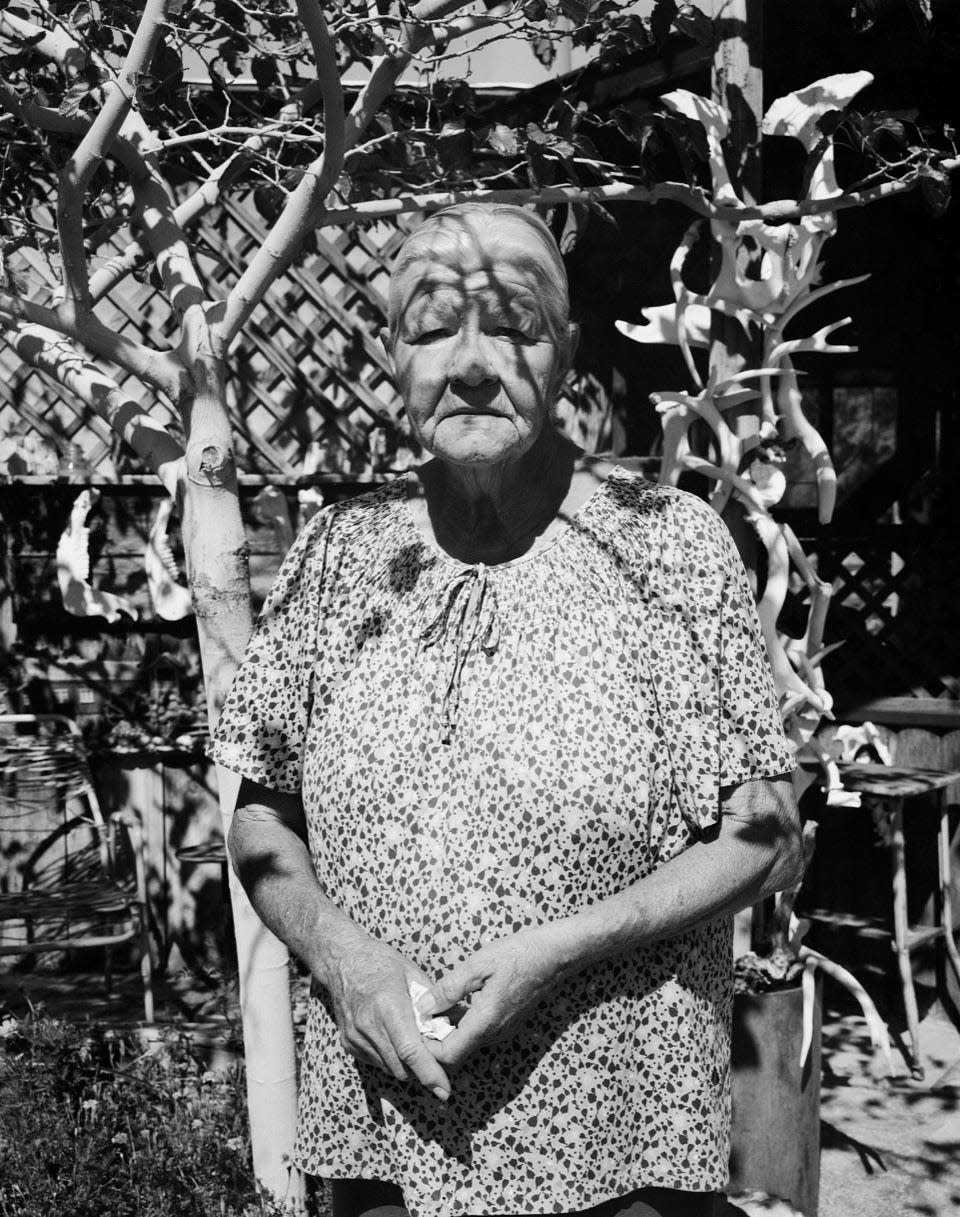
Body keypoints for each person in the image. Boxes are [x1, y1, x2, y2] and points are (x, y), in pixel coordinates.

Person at [212, 203, 803, 1217]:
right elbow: (262, 815)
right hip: (384, 1141)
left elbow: (765, 833)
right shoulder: (338, 556)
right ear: (392, 355)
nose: (475, 363)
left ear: (564, 354)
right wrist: (341, 957)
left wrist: (562, 947)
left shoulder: (666, 546)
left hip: (622, 1146)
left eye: (515, 326)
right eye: (435, 327)